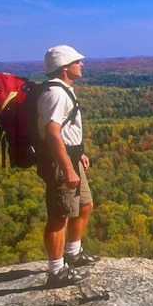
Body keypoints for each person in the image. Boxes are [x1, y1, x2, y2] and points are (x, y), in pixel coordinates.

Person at [39, 45, 100, 287]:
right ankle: (56, 272)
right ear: (65, 67)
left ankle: (73, 253)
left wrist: (79, 154)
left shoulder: (65, 90)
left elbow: (67, 129)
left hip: (71, 159)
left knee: (85, 205)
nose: (81, 64)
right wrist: (67, 168)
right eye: (77, 61)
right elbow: (53, 133)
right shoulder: (55, 94)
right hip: (60, 163)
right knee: (59, 216)